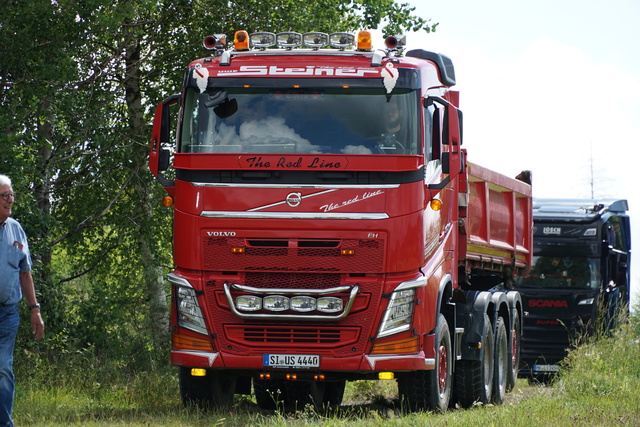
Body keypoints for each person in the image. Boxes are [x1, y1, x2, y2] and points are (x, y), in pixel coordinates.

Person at [0, 174, 44, 427]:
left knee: (3, 367)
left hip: (7, 313)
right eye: (5, 195)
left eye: (12, 195)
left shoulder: (16, 229)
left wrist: (34, 309)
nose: (10, 200)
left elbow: (25, 272)